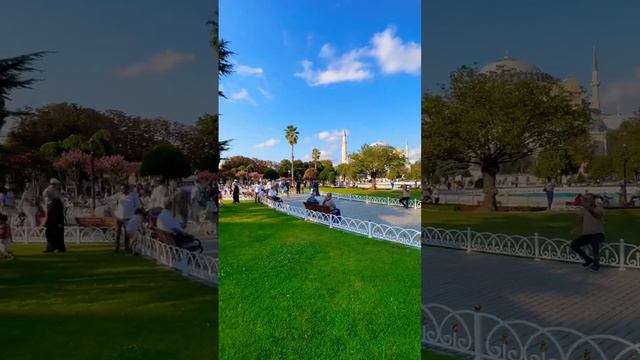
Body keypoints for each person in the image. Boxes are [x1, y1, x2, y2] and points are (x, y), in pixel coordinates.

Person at [570, 193, 605, 272]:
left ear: (593, 200)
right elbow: (580, 220)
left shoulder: (599, 208)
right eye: (586, 199)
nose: (588, 200)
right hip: (588, 235)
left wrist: (586, 206)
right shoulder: (583, 210)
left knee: (594, 242)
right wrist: (575, 230)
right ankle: (588, 260)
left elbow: (596, 215)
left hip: (598, 234)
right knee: (574, 244)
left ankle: (596, 264)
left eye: (590, 198)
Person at [112, 184, 138, 253]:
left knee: (127, 234)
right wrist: (115, 214)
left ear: (127, 189)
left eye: (123, 189)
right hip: (119, 217)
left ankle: (127, 248)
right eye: (121, 189)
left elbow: (137, 206)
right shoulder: (118, 195)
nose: (122, 190)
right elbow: (113, 205)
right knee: (117, 233)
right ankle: (116, 247)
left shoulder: (133, 196)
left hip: (128, 218)